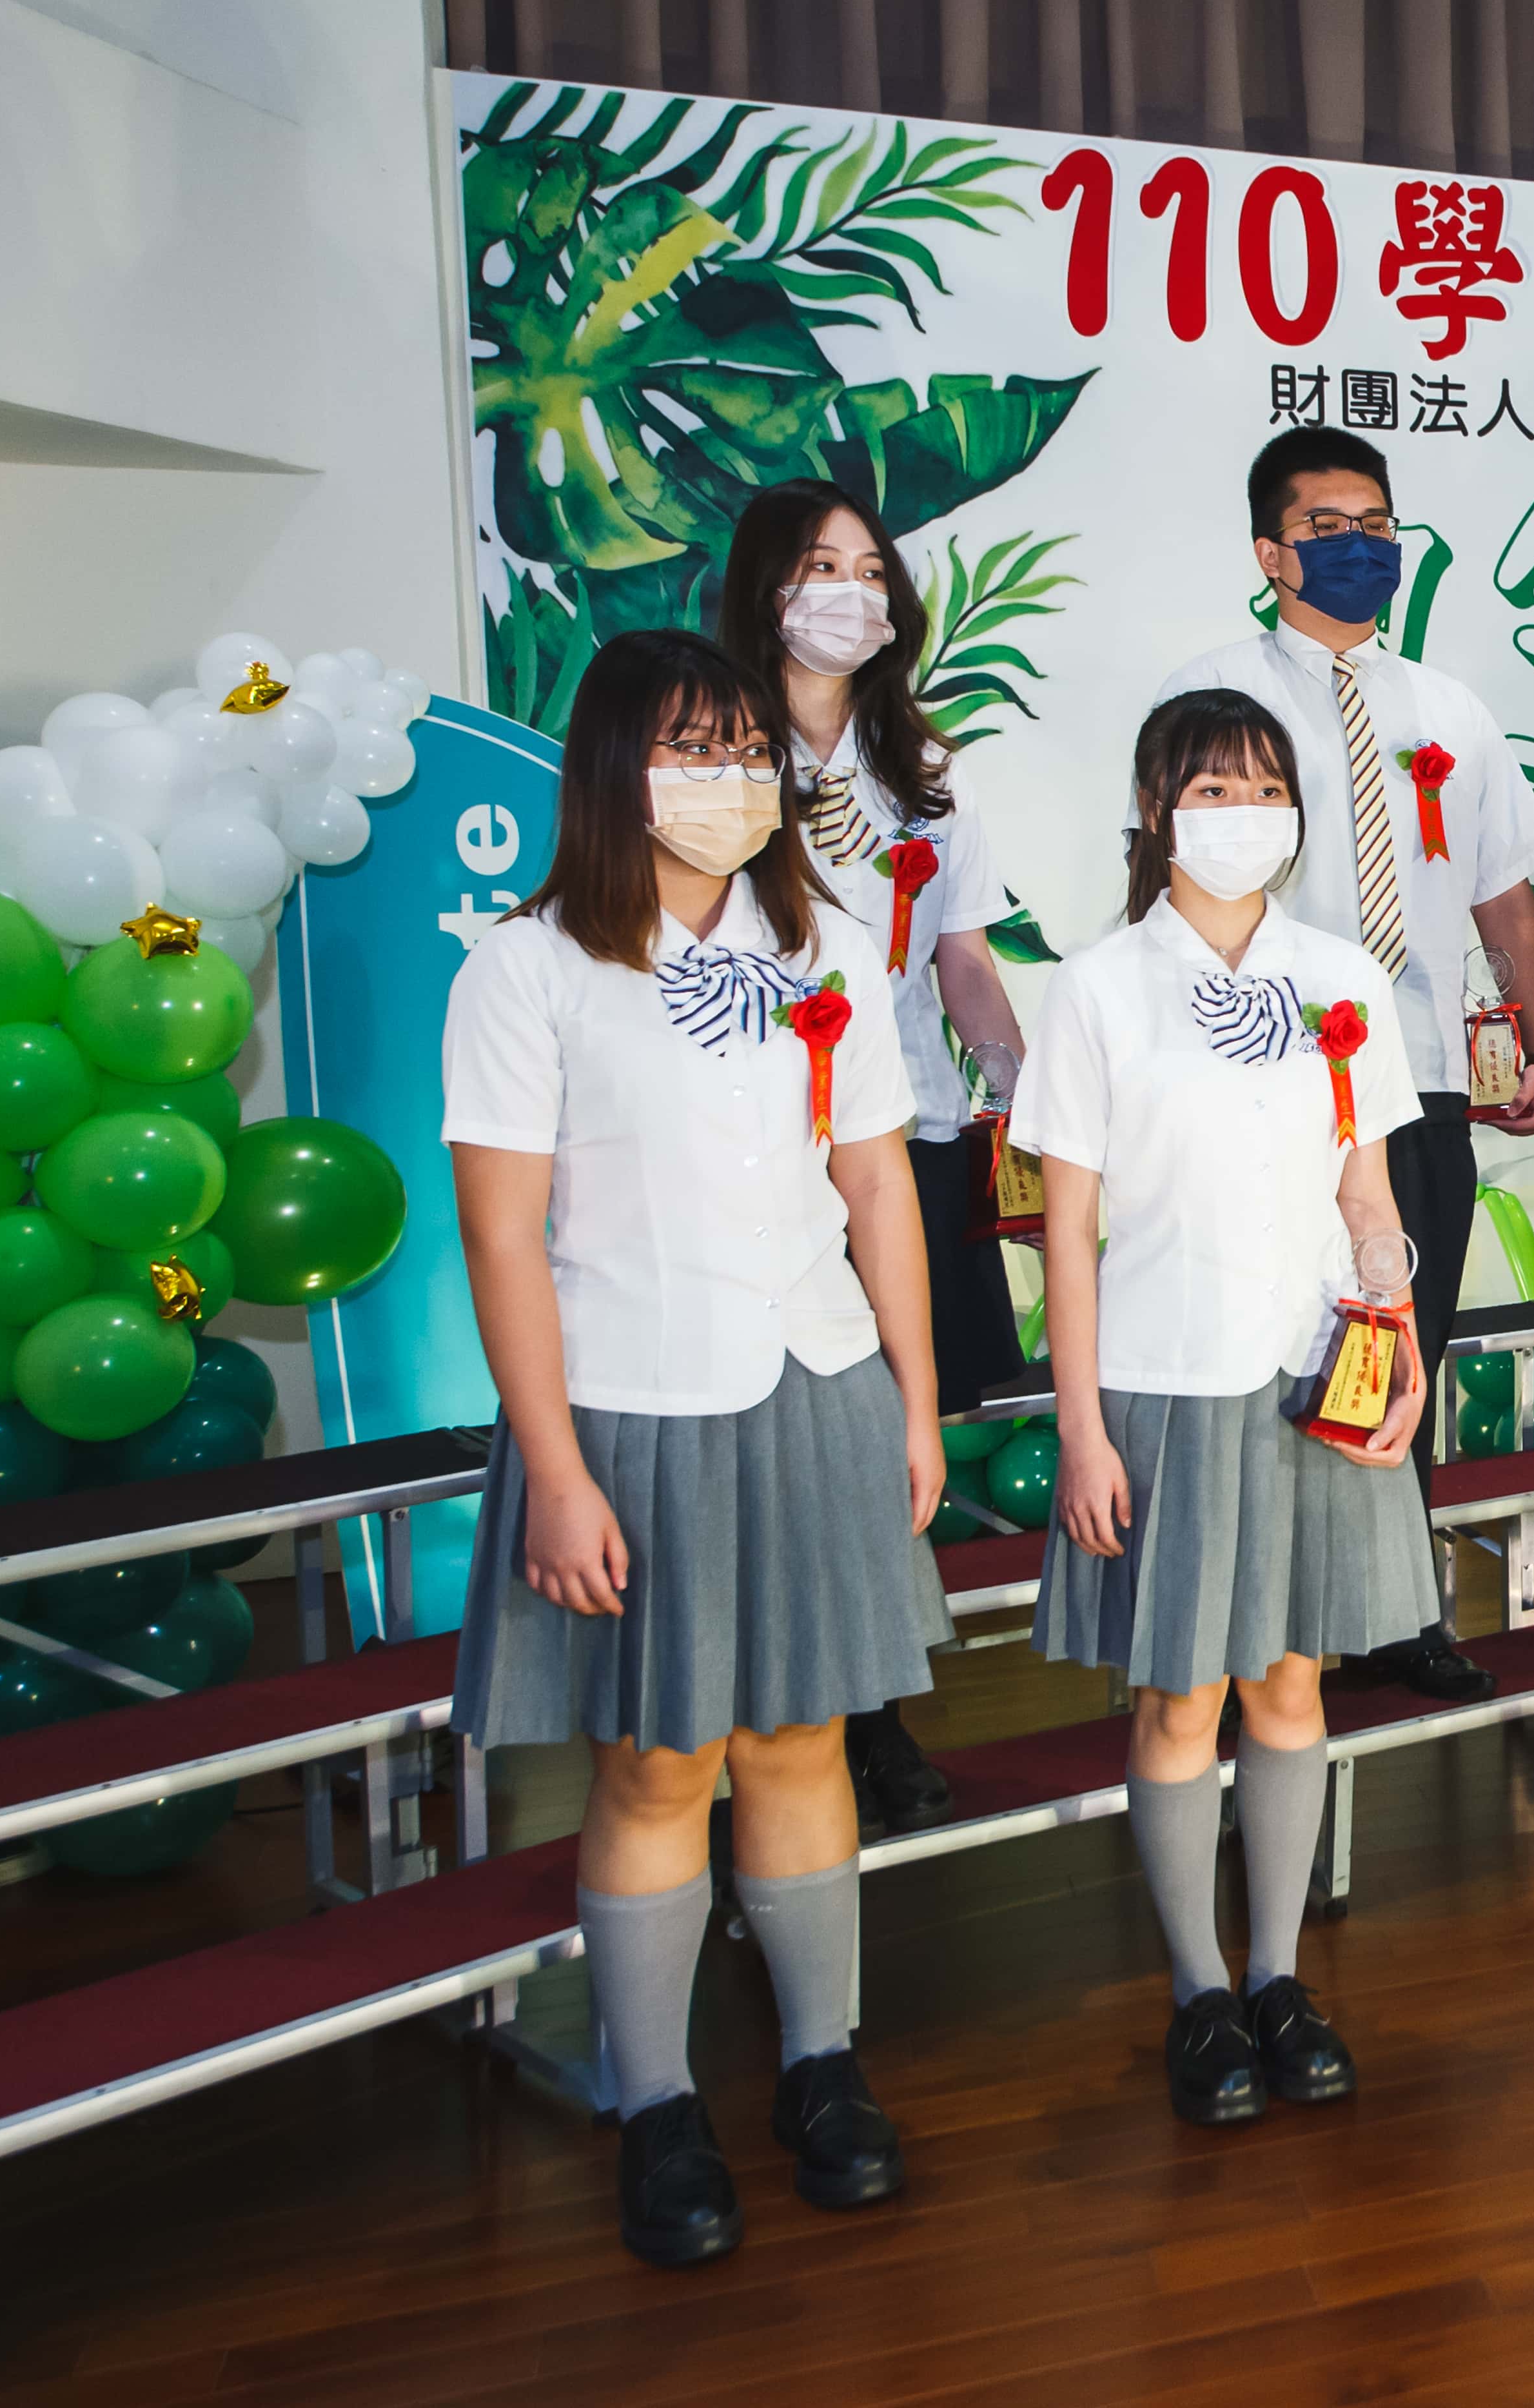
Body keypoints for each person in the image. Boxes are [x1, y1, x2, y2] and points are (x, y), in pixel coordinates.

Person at [444, 628, 944, 2269]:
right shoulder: (527, 969)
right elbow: (505, 1238)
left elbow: (877, 1183)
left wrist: (915, 1401)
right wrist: (555, 1469)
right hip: (631, 1407)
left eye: (745, 747)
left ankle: (822, 2063)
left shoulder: (829, 944)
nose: (729, 776)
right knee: (657, 1760)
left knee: (801, 1739)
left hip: (815, 1379)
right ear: (614, 768)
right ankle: (654, 2098)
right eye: (690, 746)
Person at [1017, 686, 1440, 2123]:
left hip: (1314, 1370)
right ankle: (1198, 1989)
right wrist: (1082, 1427)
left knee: (1292, 1682)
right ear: (1154, 811)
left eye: (1265, 788)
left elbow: (1365, 1192)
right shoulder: (1098, 988)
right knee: (1180, 1693)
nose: (1242, 813)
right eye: (1210, 789)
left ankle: (1278, 1974)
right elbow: (1068, 1232)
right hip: (1165, 1383)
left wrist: (1397, 1327)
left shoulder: (1341, 977)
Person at [1159, 427, 1534, 1704]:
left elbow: (1504, 898)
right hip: (1264, 1078)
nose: (1359, 546)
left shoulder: (1450, 710)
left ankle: (1396, 1612)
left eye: (1377, 524)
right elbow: (1160, 884)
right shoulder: (1215, 699)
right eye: (1326, 528)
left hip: (1418, 1072)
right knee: (1274, 1339)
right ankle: (1265, 1620)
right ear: (1270, 552)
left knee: (1405, 1334)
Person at [714, 478, 1021, 1838]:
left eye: (868, 569)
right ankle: (762, 1731)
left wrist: (1021, 1086)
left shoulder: (927, 772)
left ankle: (876, 1710)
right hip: (763, 1152)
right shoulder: (711, 754)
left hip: (908, 1140)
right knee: (789, 1436)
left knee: (899, 1429)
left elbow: (964, 958)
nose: (851, 592)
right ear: (764, 589)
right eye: (818, 566)